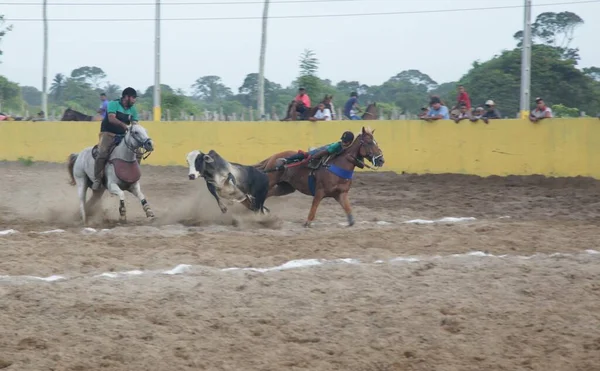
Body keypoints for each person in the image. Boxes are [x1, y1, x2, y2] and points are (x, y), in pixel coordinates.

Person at [92, 87, 140, 191]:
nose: (134, 100)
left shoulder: (133, 109)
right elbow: (111, 118)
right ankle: (97, 179)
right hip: (108, 133)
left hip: (123, 135)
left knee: (138, 152)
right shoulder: (113, 104)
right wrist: (125, 126)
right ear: (126, 97)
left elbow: (135, 124)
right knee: (102, 153)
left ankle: (133, 175)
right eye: (133, 97)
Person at [276, 131, 355, 169]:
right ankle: (286, 160)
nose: (343, 143)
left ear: (350, 142)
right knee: (306, 155)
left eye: (345, 141)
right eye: (342, 140)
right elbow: (325, 152)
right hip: (323, 150)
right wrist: (312, 157)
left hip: (330, 156)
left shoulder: (350, 148)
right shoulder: (336, 146)